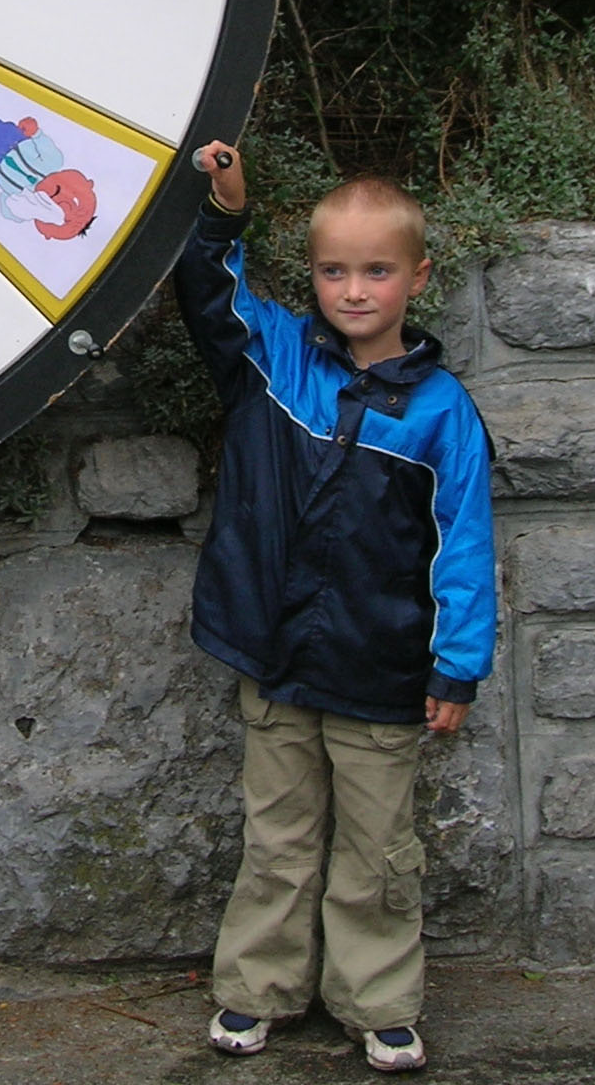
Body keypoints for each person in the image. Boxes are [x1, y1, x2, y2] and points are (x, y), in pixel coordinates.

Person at [174, 140, 495, 1074]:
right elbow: (207, 289)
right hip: (276, 657)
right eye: (333, 271)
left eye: (377, 270)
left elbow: (465, 545)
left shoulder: (442, 413)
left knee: (378, 850)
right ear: (312, 273)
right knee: (276, 838)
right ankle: (256, 988)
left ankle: (378, 1001)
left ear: (417, 277)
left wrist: (457, 665)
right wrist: (225, 210)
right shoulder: (273, 360)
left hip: (381, 669)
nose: (354, 290)